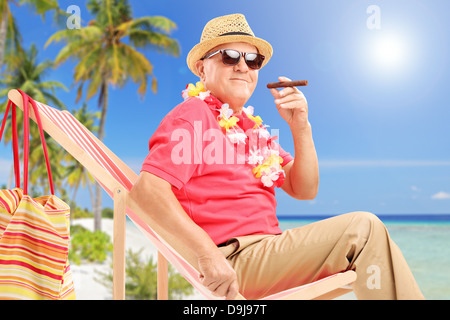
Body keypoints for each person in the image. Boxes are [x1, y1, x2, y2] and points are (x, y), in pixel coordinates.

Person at [129, 13, 424, 300]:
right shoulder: (194, 114)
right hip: (234, 261)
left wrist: (300, 127)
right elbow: (147, 192)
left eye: (253, 60)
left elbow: (304, 189)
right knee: (364, 229)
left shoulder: (253, 129)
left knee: (367, 240)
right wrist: (207, 254)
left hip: (270, 253)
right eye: (229, 56)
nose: (243, 67)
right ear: (201, 68)